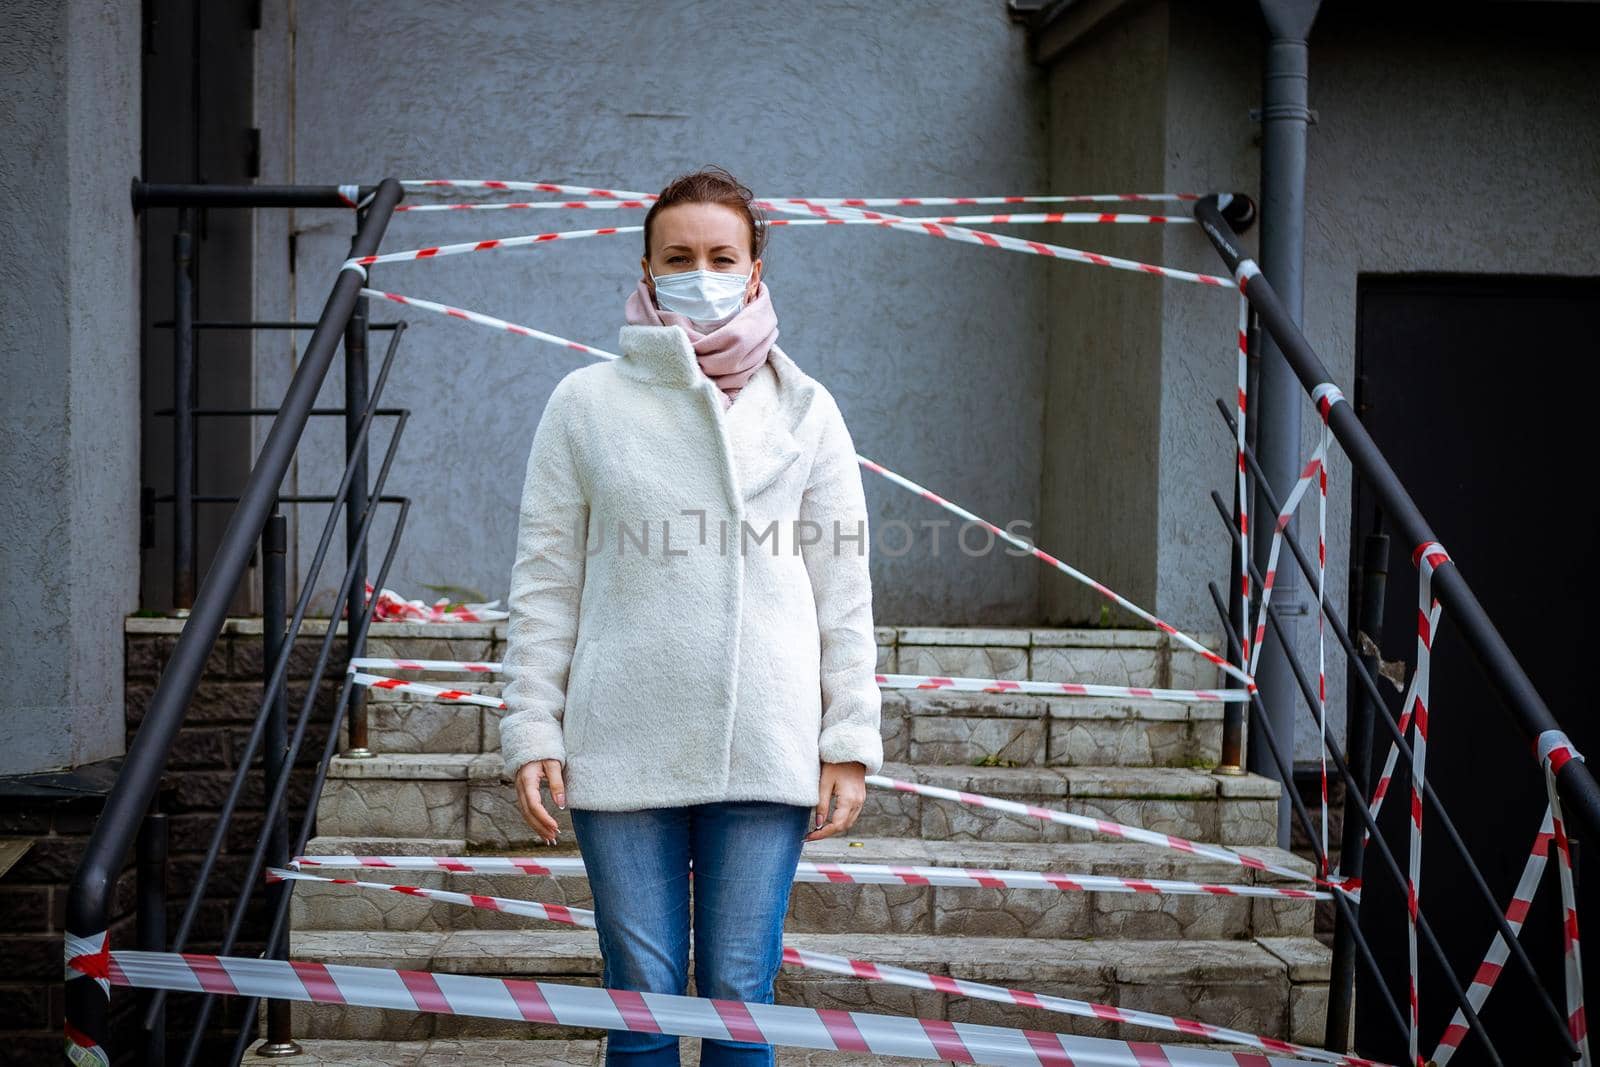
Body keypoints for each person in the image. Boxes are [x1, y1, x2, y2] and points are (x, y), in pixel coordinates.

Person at [498, 164, 884, 1066]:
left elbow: (845, 585)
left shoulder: (808, 409)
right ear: (645, 266)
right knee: (639, 998)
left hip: (767, 741)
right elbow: (545, 581)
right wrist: (532, 725)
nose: (700, 271)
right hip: (620, 740)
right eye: (679, 255)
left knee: (742, 995)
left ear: (754, 271)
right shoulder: (584, 405)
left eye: (721, 255)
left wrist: (849, 740)